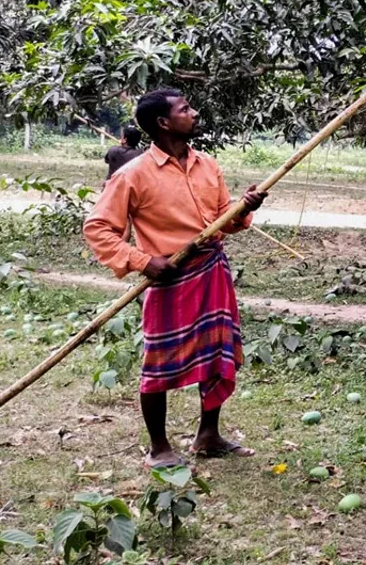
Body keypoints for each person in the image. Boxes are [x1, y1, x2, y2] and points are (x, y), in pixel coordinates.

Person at [83, 89, 268, 469]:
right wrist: (141, 260)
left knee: (218, 353)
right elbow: (99, 227)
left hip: (211, 270)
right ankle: (159, 447)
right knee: (160, 361)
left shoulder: (207, 166)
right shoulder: (132, 175)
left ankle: (208, 435)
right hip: (170, 279)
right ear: (164, 123)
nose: (195, 113)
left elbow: (224, 220)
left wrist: (243, 209)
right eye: (186, 109)